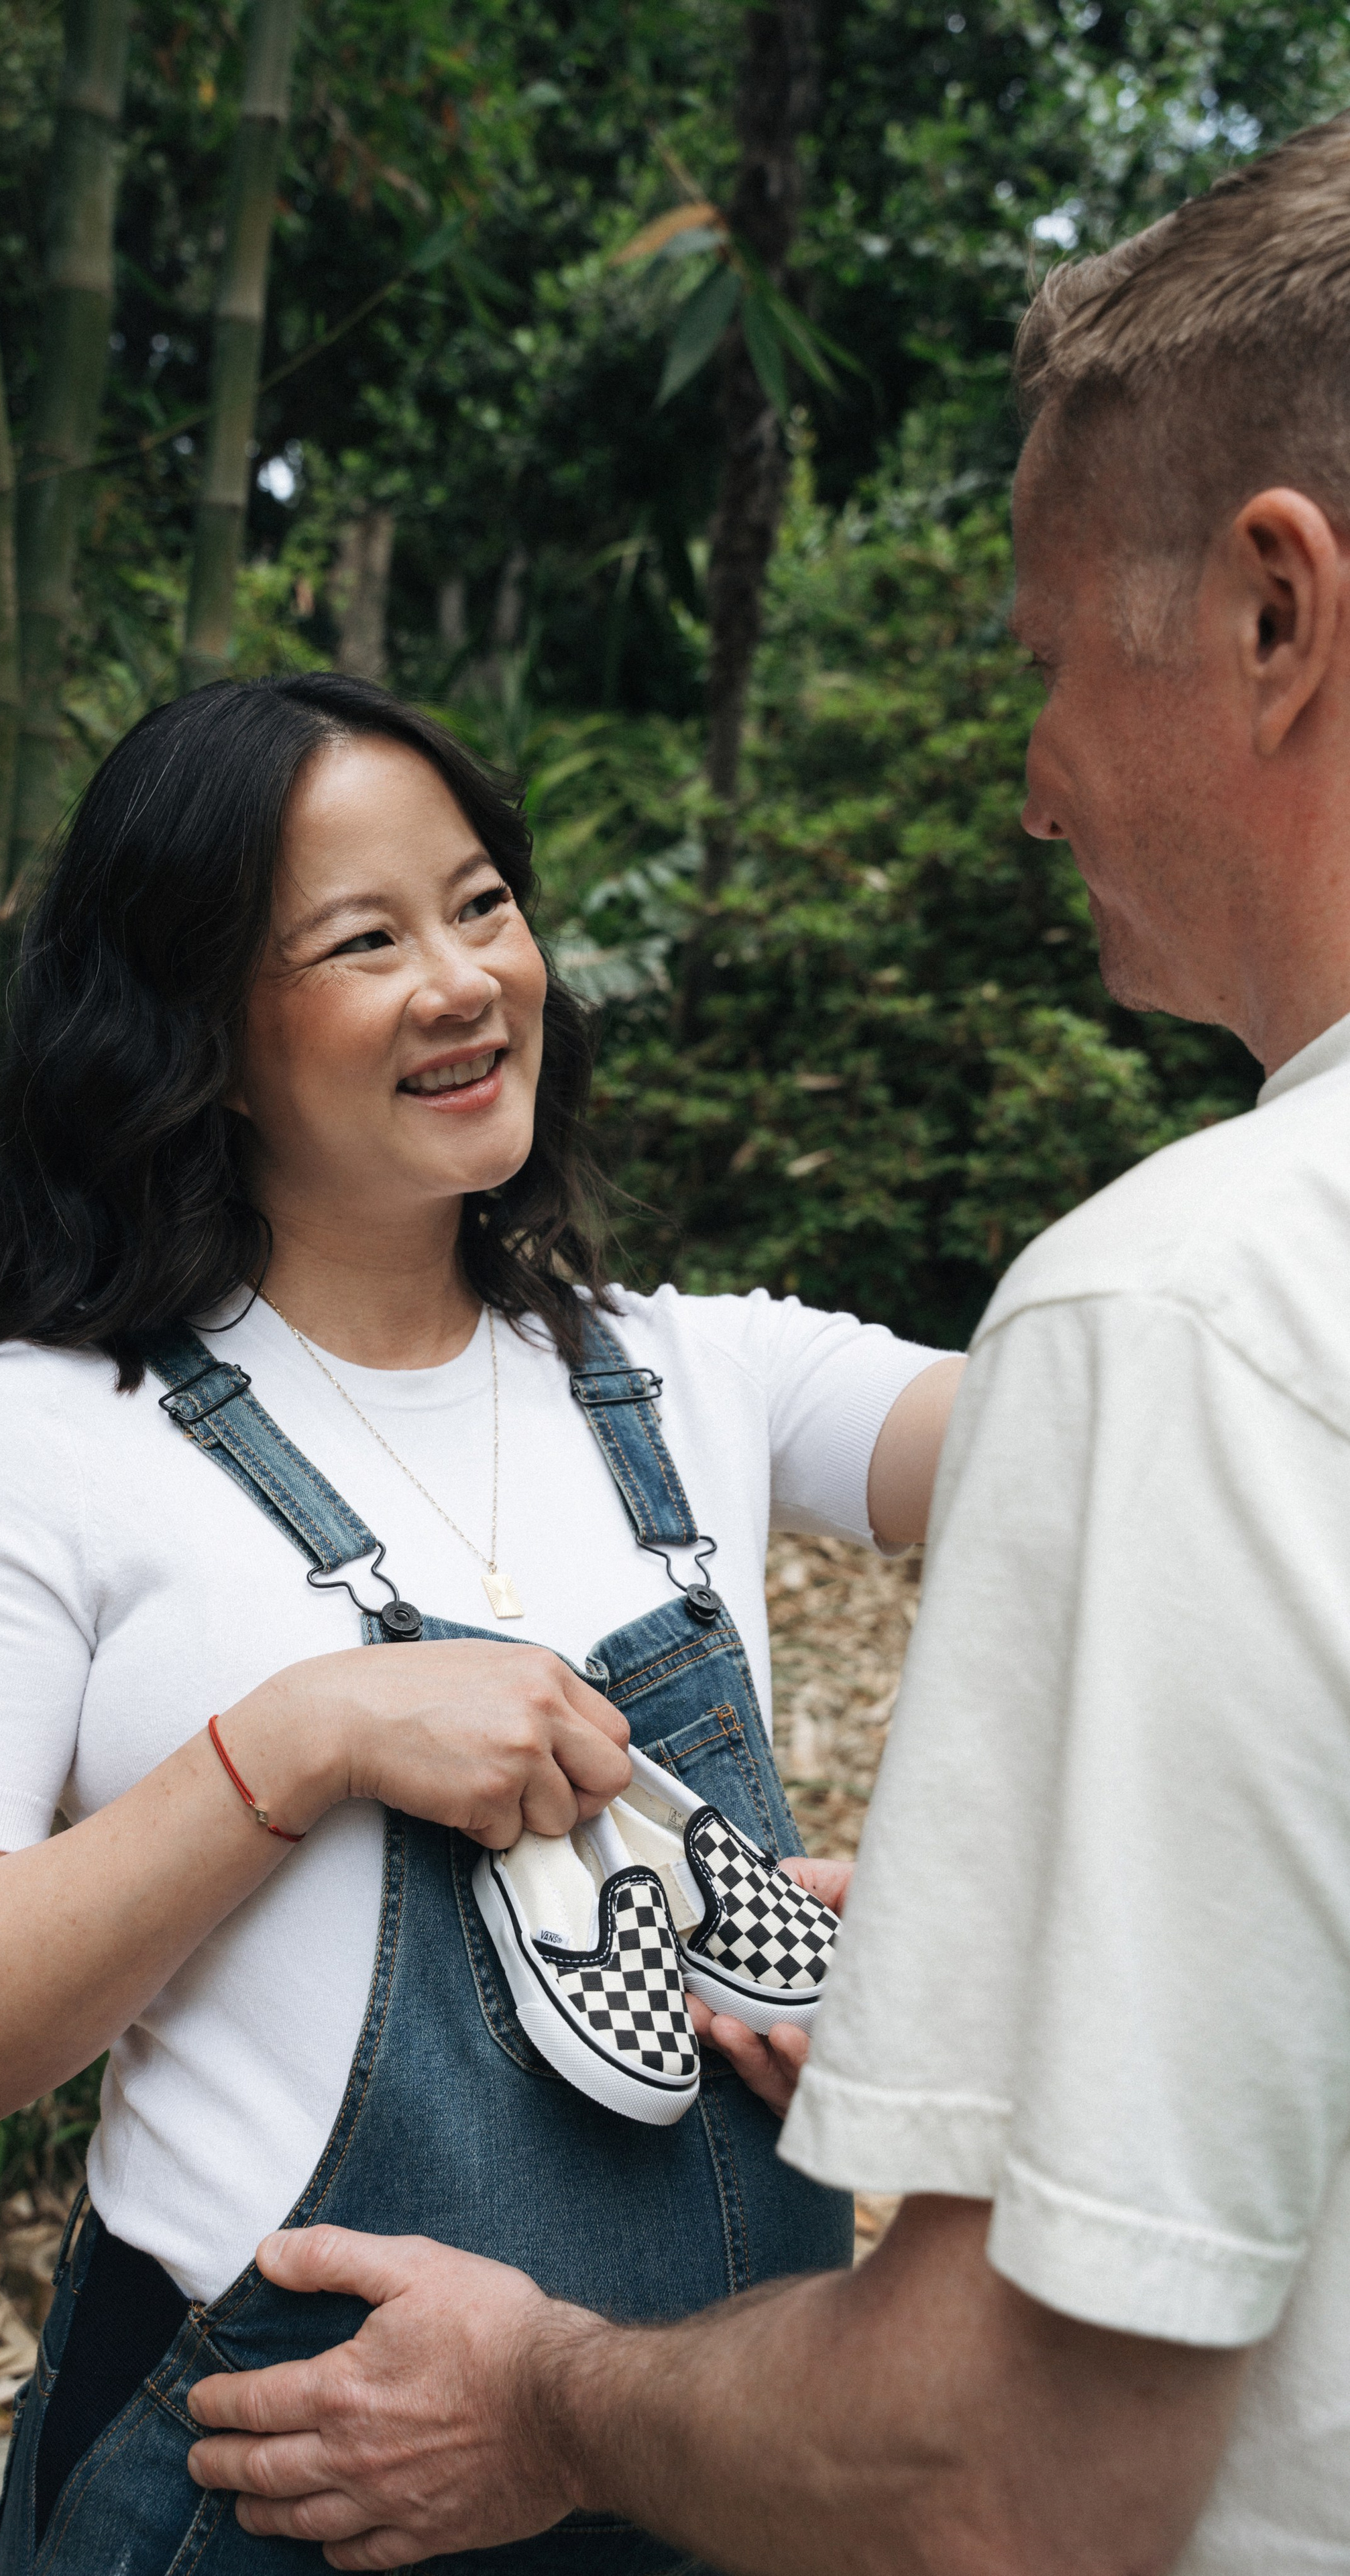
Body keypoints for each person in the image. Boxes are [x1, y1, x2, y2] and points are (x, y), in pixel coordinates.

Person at [180, 110, 1350, 2576]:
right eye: (358, 939)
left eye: (1047, 661)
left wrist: (549, 2402)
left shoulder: (1156, 1317)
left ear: (1279, 614)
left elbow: (1012, 2469)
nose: (1032, 781)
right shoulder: (51, 1434)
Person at [0, 672, 961, 2576]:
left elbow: (1130, 1443)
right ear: (201, 1030)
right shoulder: (35, 1438)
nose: (463, 980)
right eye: (366, 940)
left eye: (483, 904)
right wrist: (309, 1739)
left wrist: (967, 1923)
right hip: (277, 2494)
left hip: (706, 2473)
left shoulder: (701, 1376)